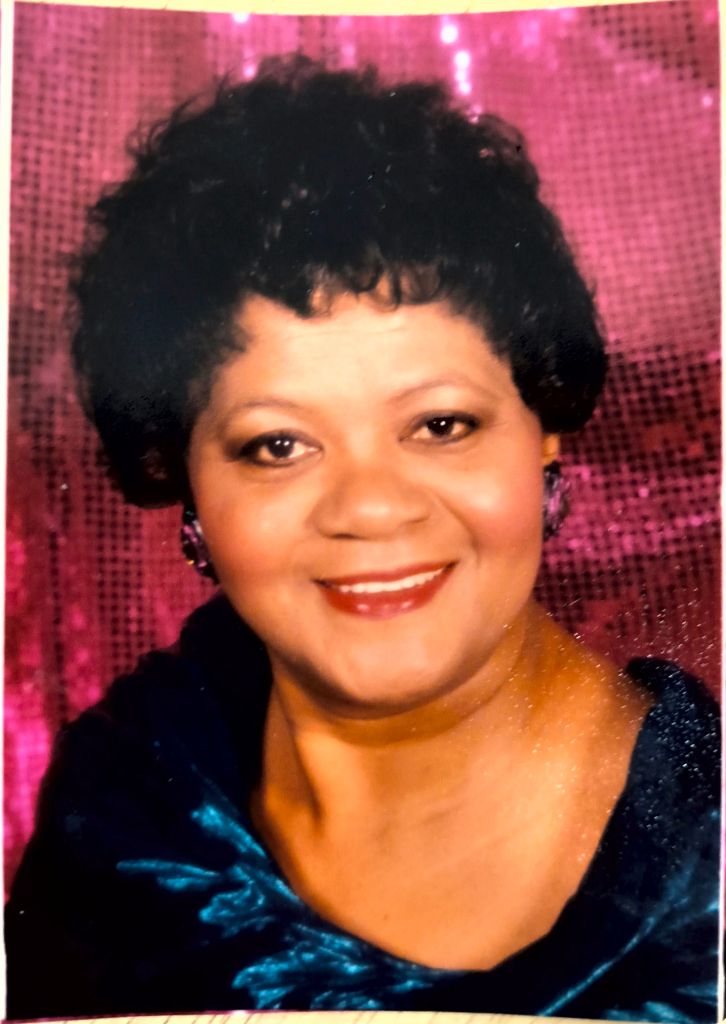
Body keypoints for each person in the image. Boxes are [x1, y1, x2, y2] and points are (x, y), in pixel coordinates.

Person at [5, 55, 719, 1023]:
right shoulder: (131, 807)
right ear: (185, 475)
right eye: (278, 444)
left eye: (441, 425)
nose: (372, 508)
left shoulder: (705, 863)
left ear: (543, 427)